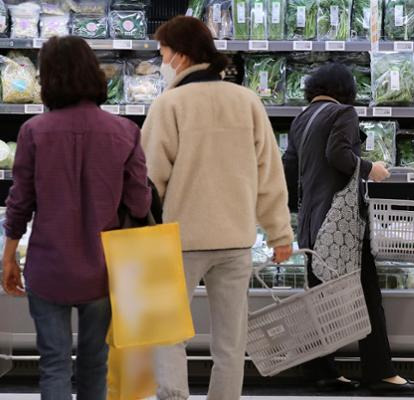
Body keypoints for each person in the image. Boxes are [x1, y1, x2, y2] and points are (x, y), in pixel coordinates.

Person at [141, 16, 294, 400]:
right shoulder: (247, 101)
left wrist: (141, 233)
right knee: (230, 342)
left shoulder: (169, 104)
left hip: (180, 240)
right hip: (235, 239)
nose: (161, 61)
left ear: (180, 55)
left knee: (169, 334)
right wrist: (279, 234)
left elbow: (150, 178)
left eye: (162, 54)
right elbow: (270, 176)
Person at [1, 36, 152, 400]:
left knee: (54, 365)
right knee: (94, 364)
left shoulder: (33, 132)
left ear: (49, 78)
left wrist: (9, 256)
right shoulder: (125, 131)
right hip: (103, 269)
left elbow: (20, 201)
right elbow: (140, 202)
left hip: (48, 266)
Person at [282, 63, 414, 393]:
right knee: (368, 294)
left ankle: (320, 370)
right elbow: (339, 154)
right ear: (346, 90)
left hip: (311, 223)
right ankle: (379, 372)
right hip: (342, 225)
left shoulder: (301, 119)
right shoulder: (342, 112)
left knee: (322, 297)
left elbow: (288, 169)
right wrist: (372, 169)